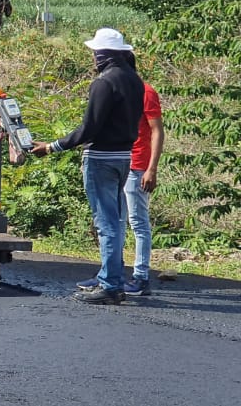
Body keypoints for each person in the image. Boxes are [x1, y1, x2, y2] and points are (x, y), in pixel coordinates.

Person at [31, 27, 144, 305]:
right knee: (115, 221)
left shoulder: (105, 82)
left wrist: (52, 146)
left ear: (104, 55)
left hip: (101, 159)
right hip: (124, 157)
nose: (93, 58)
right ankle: (111, 276)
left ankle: (110, 284)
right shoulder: (134, 80)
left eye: (96, 53)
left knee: (106, 223)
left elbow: (89, 128)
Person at [123, 65, 164, 296]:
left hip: (138, 165)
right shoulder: (119, 91)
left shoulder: (146, 92)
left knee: (138, 222)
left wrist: (151, 169)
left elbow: (157, 130)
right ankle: (113, 272)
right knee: (115, 221)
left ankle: (141, 276)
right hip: (119, 162)